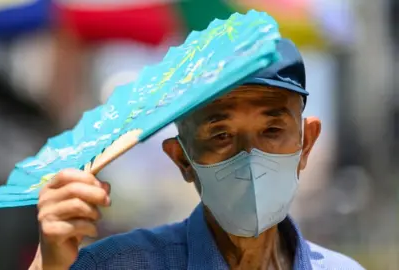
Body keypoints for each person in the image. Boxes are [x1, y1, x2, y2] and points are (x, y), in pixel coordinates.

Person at [28, 39, 365, 269]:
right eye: (221, 135)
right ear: (183, 159)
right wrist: (50, 262)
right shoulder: (119, 264)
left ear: (305, 144)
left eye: (272, 131)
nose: (250, 156)